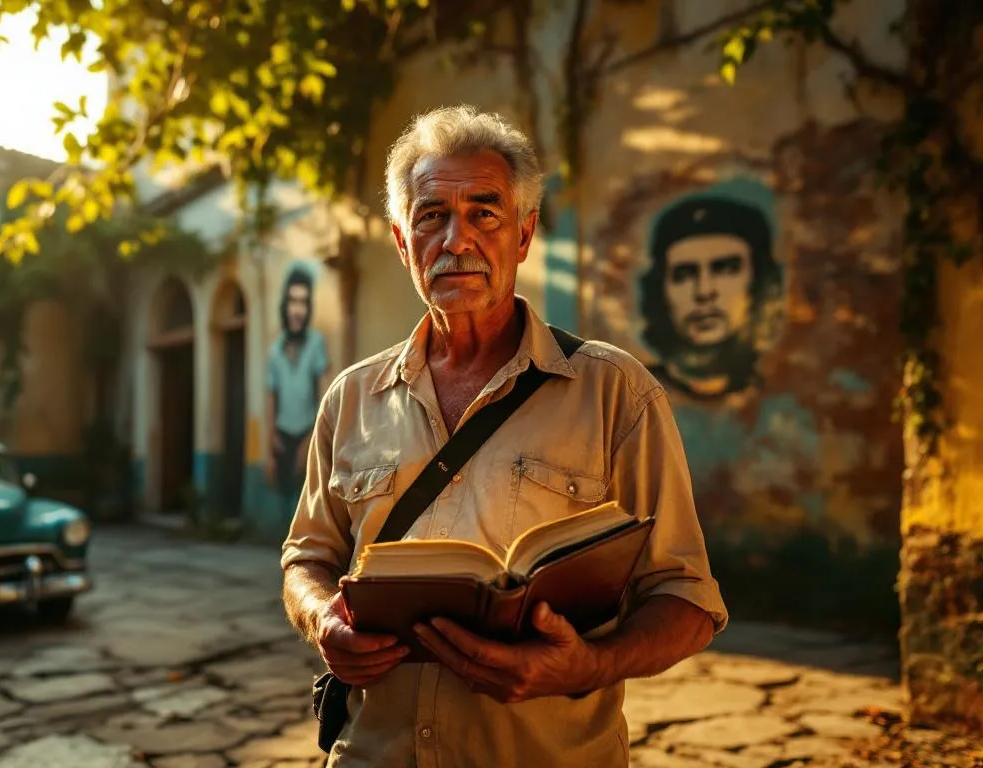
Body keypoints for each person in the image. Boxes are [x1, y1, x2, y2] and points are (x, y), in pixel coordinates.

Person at [280, 105, 728, 767]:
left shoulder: (614, 392)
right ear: (403, 242)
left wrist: (584, 666)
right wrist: (322, 618)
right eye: (431, 215)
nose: (456, 240)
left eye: (484, 212)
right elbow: (305, 559)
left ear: (523, 235)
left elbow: (686, 599)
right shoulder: (350, 399)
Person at [639, 195, 782, 399]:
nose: (704, 292)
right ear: (660, 290)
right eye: (685, 275)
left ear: (759, 282)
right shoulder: (633, 398)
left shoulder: (788, 401)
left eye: (725, 269)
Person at [265, 265, 330, 522]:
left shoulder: (316, 343)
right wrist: (269, 444)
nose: (298, 310)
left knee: (307, 504)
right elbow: (271, 397)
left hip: (308, 432)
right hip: (282, 436)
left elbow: (324, 393)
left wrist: (310, 439)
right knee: (284, 503)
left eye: (303, 302)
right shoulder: (275, 350)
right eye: (293, 301)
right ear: (285, 304)